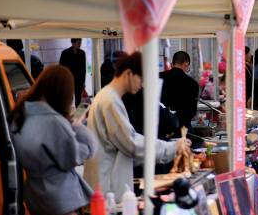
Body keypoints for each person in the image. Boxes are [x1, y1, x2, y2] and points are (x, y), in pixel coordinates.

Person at [84, 52, 189, 200]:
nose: (141, 85)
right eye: (141, 78)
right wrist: (172, 147)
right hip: (108, 192)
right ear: (128, 73)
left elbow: (128, 146)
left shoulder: (109, 98)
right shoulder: (110, 101)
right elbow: (131, 143)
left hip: (107, 188)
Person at [9, 65, 98, 215]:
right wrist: (77, 127)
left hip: (35, 193)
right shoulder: (56, 122)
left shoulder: (19, 116)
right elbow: (73, 157)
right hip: (61, 196)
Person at [160, 51, 199, 135]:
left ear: (172, 63)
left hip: (160, 130)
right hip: (183, 130)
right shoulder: (192, 83)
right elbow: (192, 111)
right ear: (186, 64)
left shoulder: (159, 77)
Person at [59, 38, 86, 106]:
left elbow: (83, 70)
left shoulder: (82, 53)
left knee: (78, 101)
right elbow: (61, 68)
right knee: (68, 100)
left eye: (80, 42)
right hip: (68, 81)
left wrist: (83, 83)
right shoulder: (65, 53)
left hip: (79, 82)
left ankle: (78, 115)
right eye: (78, 43)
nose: (80, 45)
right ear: (73, 43)